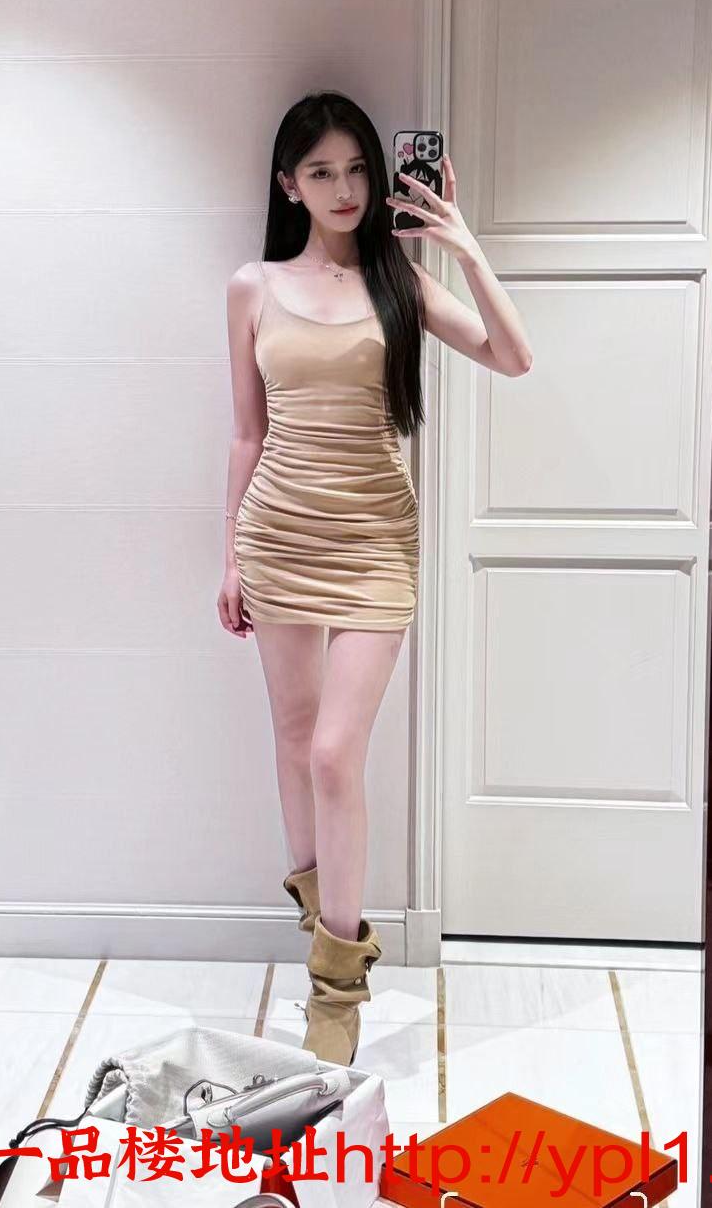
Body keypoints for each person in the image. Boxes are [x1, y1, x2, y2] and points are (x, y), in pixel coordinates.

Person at [217, 91, 533, 1065]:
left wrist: (462, 244)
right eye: (322, 172)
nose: (345, 188)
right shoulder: (253, 288)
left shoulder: (400, 282)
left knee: (332, 754)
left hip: (373, 546)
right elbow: (246, 432)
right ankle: (327, 925)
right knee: (293, 739)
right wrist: (229, 555)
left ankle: (336, 987)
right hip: (278, 535)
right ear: (289, 186)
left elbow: (514, 356)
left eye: (358, 168)